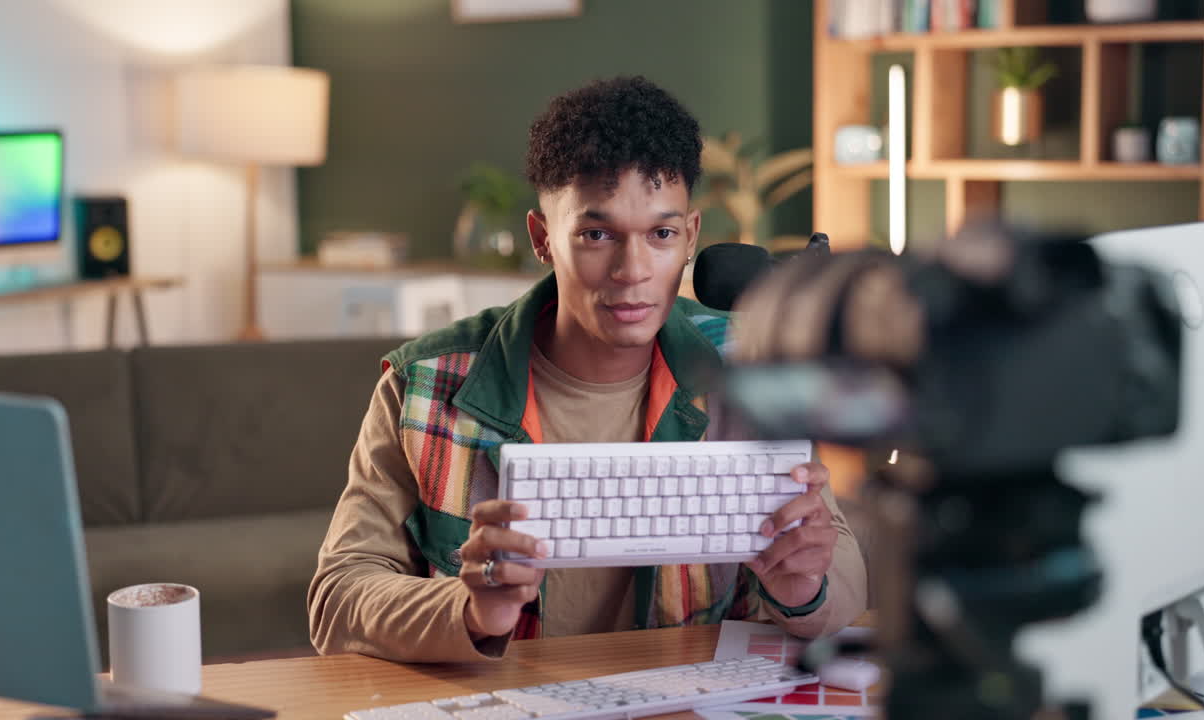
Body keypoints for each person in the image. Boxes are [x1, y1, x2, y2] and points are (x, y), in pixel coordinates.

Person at [307, 76, 867, 662]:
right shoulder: (422, 384)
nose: (632, 269)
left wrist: (804, 588)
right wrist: (469, 611)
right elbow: (338, 596)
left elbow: (845, 567)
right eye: (596, 234)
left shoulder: (750, 372)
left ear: (691, 237)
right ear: (543, 238)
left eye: (661, 234)